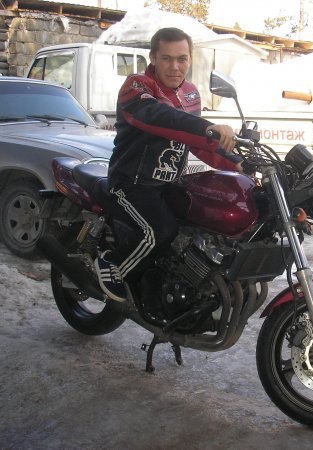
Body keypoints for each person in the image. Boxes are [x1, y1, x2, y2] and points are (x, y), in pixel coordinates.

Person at [95, 27, 244, 302]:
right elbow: (160, 117)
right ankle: (113, 264)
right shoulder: (136, 86)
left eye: (182, 58)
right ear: (153, 58)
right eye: (166, 58)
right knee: (160, 231)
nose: (175, 66)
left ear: (190, 59)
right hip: (131, 183)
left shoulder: (190, 94)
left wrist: (240, 164)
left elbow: (198, 143)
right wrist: (207, 127)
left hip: (170, 183)